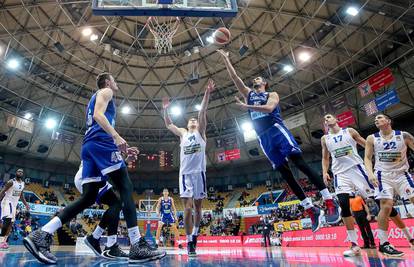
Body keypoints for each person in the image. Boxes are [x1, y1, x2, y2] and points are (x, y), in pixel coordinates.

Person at [23, 73, 165, 264]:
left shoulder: (97, 99)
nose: (116, 83)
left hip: (90, 147)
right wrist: (115, 136)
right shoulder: (106, 91)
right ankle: (137, 245)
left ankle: (42, 234)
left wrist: (120, 149)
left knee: (89, 197)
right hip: (101, 143)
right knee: (125, 187)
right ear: (107, 82)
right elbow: (99, 116)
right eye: (114, 80)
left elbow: (97, 122)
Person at [218, 50, 339, 232]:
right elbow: (235, 78)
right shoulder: (248, 93)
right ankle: (311, 209)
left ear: (265, 83)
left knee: (299, 163)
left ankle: (329, 200)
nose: (256, 80)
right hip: (263, 138)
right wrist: (227, 59)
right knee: (285, 174)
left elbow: (268, 109)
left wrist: (247, 107)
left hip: (276, 130)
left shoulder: (271, 94)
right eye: (255, 79)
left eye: (259, 78)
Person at [163, 79, 214, 256]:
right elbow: (169, 124)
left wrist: (207, 93)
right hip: (185, 174)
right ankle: (189, 240)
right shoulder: (183, 133)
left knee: (199, 208)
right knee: (187, 208)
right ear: (187, 125)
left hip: (200, 174)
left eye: (195, 120)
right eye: (190, 120)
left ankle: (196, 235)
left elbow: (203, 112)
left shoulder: (201, 132)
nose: (193, 120)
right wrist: (165, 109)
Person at [321, 114, 375, 256]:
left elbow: (366, 144)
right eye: (325, 119)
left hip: (357, 168)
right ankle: (354, 244)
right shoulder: (325, 139)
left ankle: (386, 240)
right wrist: (324, 172)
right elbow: (325, 157)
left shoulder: (349, 131)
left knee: (379, 199)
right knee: (344, 205)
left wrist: (376, 154)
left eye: (329, 117)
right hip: (340, 174)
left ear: (336, 120)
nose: (326, 120)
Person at [365, 114, 414, 256]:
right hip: (382, 175)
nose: (376, 120)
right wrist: (370, 173)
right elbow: (367, 158)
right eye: (375, 119)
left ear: (388, 121)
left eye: (380, 118)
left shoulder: (403, 135)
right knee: (386, 205)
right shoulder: (372, 138)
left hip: (402, 174)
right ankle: (384, 243)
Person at [74, 157, 135, 259]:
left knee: (116, 203)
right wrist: (125, 162)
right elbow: (111, 167)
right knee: (117, 203)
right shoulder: (106, 143)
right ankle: (99, 240)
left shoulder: (106, 145)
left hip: (94, 175)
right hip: (89, 176)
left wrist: (125, 160)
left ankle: (107, 243)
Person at [0, 168, 30, 249]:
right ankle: (1, 241)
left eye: (21, 172)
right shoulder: (11, 182)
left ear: (22, 174)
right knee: (7, 220)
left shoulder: (23, 184)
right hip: (7, 202)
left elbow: (21, 195)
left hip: (14, 205)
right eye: (18, 171)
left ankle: (4, 241)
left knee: (11, 223)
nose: (20, 172)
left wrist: (26, 204)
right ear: (16, 173)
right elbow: (2, 191)